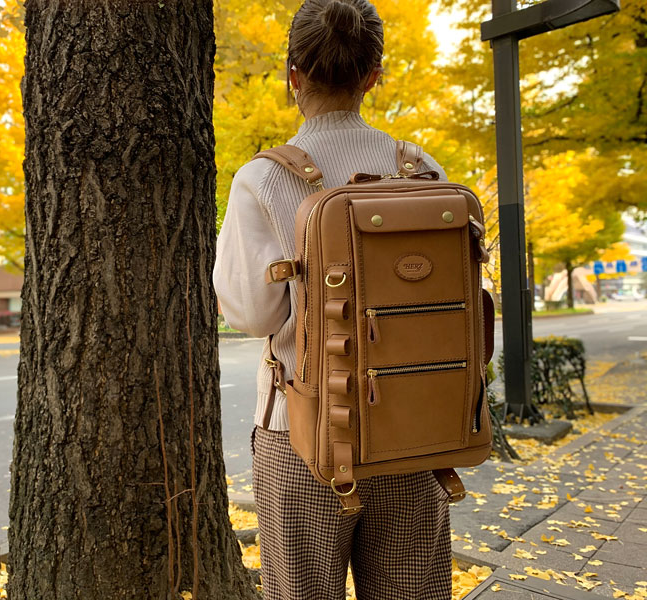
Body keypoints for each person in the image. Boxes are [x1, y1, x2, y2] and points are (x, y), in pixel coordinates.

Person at [213, 1, 452, 598]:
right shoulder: (421, 168)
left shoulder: (263, 179)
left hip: (304, 434)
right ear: (374, 76)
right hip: (414, 428)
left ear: (292, 75)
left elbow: (254, 314)